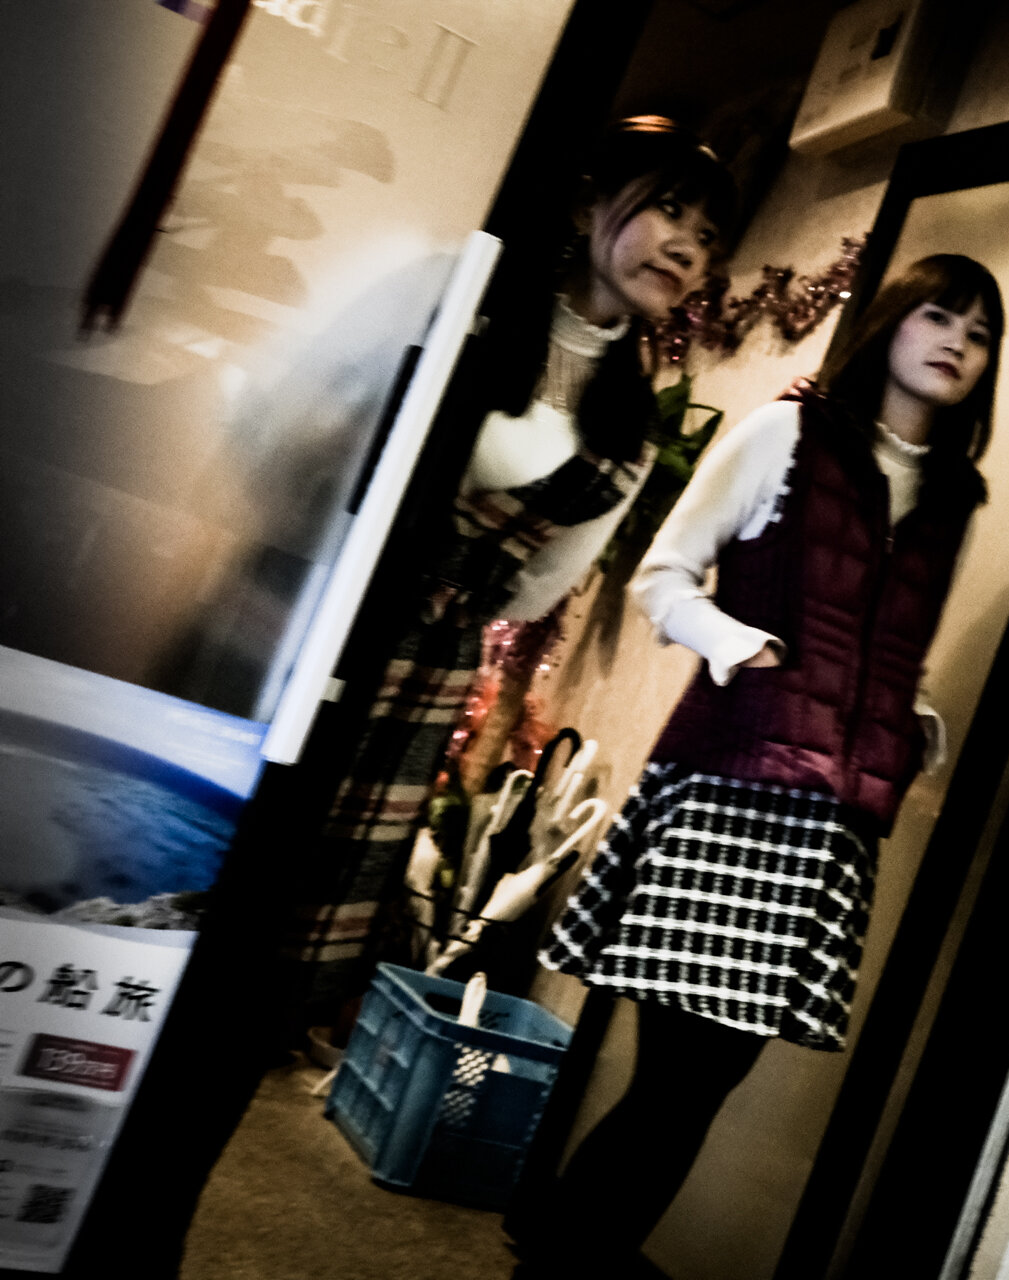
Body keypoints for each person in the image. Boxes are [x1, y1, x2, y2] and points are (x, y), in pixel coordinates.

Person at [517, 254, 1004, 1273]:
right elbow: (663, 573)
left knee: (707, 1081)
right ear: (889, 325)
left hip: (835, 815)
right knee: (678, 1083)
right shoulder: (789, 431)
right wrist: (743, 645)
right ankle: (567, 1256)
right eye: (938, 313)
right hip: (732, 786)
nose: (959, 339)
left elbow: (891, 637)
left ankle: (565, 1247)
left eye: (981, 329)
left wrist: (910, 717)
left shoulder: (955, 493)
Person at [284, 116, 739, 1013]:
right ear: (587, 203)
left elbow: (539, 589)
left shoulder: (633, 426)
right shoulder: (469, 306)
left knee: (300, 935)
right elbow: (311, 435)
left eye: (709, 237)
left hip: (427, 671)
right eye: (670, 210)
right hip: (314, 608)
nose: (686, 247)